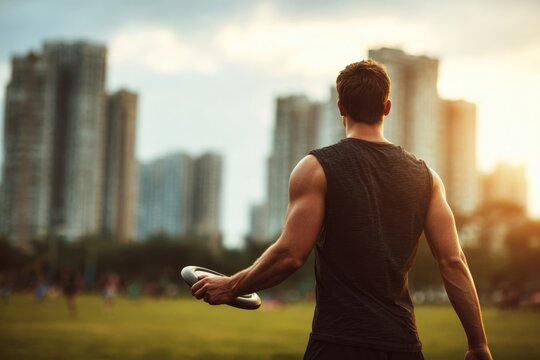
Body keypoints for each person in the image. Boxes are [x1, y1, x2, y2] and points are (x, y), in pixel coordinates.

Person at [191, 60, 493, 360]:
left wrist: (232, 286)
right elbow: (453, 262)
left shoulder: (315, 168)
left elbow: (290, 255)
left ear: (341, 108)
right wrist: (478, 345)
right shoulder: (427, 178)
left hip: (339, 343)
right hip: (402, 344)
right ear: (387, 107)